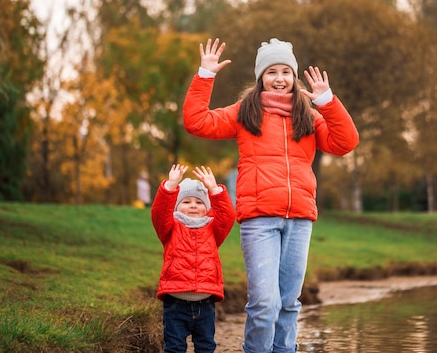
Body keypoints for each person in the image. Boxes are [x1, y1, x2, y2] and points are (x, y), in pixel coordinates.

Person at [183, 38, 359, 353]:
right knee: (265, 301)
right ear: (260, 77)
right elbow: (196, 122)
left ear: (294, 77)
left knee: (289, 302)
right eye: (271, 72)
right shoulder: (244, 112)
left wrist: (328, 102)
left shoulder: (309, 115)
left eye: (286, 72)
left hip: (300, 218)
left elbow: (345, 143)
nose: (279, 78)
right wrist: (205, 76)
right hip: (259, 218)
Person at [151, 164, 235, 353]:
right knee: (174, 347)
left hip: (205, 303)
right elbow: (159, 213)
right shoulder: (169, 227)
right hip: (175, 303)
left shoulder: (213, 229)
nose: (193, 206)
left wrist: (214, 190)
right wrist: (170, 187)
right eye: (186, 202)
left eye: (198, 202)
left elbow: (227, 216)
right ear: (177, 206)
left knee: (206, 346)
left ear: (206, 207)